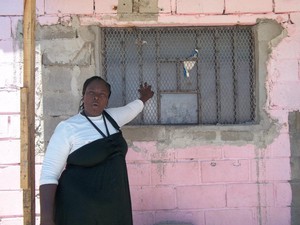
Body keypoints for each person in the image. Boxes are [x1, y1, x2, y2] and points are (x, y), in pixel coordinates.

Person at [39, 76, 154, 225]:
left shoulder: (112, 118)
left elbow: (132, 109)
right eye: (91, 92)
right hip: (79, 209)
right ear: (83, 96)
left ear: (107, 100)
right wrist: (46, 219)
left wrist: (144, 98)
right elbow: (49, 173)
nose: (96, 98)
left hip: (113, 207)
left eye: (102, 95)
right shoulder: (68, 128)